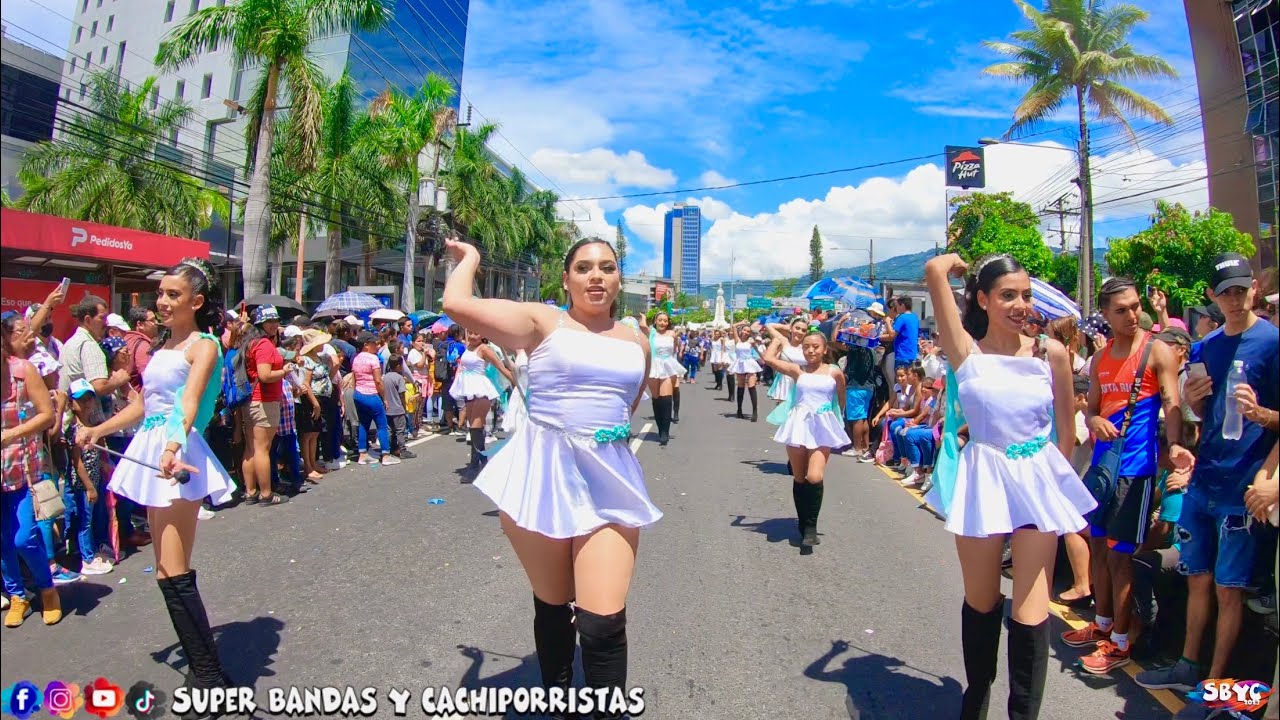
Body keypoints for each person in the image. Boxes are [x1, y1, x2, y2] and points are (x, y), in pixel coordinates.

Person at [444, 235, 659, 720]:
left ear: (619, 278)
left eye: (607, 267)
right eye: (584, 267)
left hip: (609, 479)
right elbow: (457, 303)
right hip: (542, 476)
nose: (596, 276)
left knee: (602, 623)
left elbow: (625, 407)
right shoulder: (542, 322)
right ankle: (557, 698)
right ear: (566, 279)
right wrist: (471, 259)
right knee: (554, 603)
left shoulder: (636, 340)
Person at [924, 253, 1096, 720]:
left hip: (1035, 481)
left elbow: (1065, 430)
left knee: (1031, 608)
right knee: (981, 601)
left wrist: (1050, 483)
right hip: (983, 480)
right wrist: (951, 264)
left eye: (1025, 295)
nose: (1021, 304)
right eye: (1007, 295)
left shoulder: (1050, 353)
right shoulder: (965, 351)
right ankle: (976, 698)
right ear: (983, 299)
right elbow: (934, 275)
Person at [77, 258, 236, 700]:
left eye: (173, 295)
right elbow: (144, 406)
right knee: (167, 570)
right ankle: (209, 673)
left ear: (196, 301)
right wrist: (97, 430)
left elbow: (188, 405)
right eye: (161, 294)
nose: (162, 301)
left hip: (176, 454)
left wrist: (171, 448)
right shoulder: (165, 344)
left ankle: (207, 676)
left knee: (174, 570)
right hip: (155, 449)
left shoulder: (203, 345)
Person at [1136, 253, 1279, 716]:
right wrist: (1191, 416)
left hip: (1245, 483)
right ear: (1213, 298)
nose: (1235, 299)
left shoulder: (1272, 343)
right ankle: (1188, 666)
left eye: (1242, 290)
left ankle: (1216, 691)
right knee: (1196, 578)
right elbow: (1201, 420)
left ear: (1254, 289)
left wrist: (1261, 415)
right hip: (1205, 477)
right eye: (1226, 292)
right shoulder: (1205, 347)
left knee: (1228, 587)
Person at [1067, 277, 1189, 675]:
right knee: (1099, 548)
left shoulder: (1157, 352)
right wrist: (1096, 418)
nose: (1132, 315)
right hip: (1104, 468)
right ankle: (1102, 625)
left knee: (1121, 559)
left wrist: (1173, 445)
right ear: (1105, 314)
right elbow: (1092, 410)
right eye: (1121, 310)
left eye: (1136, 306)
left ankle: (1120, 643)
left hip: (1135, 472)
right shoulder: (1101, 360)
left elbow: (1171, 403)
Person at [762, 330, 849, 553]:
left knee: (814, 476)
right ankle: (803, 522)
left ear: (824, 350)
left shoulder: (834, 372)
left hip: (822, 426)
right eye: (807, 346)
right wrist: (778, 339)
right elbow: (769, 359)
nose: (810, 350)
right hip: (798, 425)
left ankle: (811, 526)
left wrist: (834, 420)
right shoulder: (796, 370)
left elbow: (840, 399)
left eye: (815, 346)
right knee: (800, 477)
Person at [1, 322, 60, 627]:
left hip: (23, 471)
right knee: (2, 541)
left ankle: (48, 589)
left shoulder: (23, 371)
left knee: (24, 538)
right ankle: (17, 595)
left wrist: (13, 434)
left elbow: (47, 414)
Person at [240, 305, 292, 506]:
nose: (274, 324)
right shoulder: (263, 345)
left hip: (253, 400)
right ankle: (266, 493)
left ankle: (251, 492)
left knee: (251, 448)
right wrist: (285, 371)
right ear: (261, 323)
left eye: (276, 320)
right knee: (262, 448)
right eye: (269, 321)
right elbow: (265, 375)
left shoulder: (251, 343)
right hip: (264, 400)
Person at [351, 332, 398, 466]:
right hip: (371, 394)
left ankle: (363, 454)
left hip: (358, 393)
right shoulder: (373, 359)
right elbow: (378, 381)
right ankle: (386, 455)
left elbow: (354, 377)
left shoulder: (356, 358)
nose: (377, 346)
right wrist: (385, 398)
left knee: (363, 424)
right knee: (382, 425)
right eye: (374, 344)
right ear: (366, 345)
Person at [638, 311, 684, 444]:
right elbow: (643, 327)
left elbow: (676, 347)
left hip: (668, 366)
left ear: (668, 322)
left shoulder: (672, 334)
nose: (663, 323)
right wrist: (643, 318)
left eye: (665, 320)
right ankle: (660, 428)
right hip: (653, 366)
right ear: (655, 321)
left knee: (666, 398)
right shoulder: (651, 332)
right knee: (657, 398)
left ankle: (665, 432)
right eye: (660, 320)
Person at [728, 321, 763, 422]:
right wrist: (742, 322)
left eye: (748, 331)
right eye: (744, 330)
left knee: (751, 386)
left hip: (750, 363)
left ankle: (754, 411)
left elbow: (758, 350)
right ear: (741, 331)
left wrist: (765, 359)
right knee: (741, 386)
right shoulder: (737, 340)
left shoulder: (751, 341)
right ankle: (739, 410)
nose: (746, 332)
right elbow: (733, 326)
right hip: (740, 364)